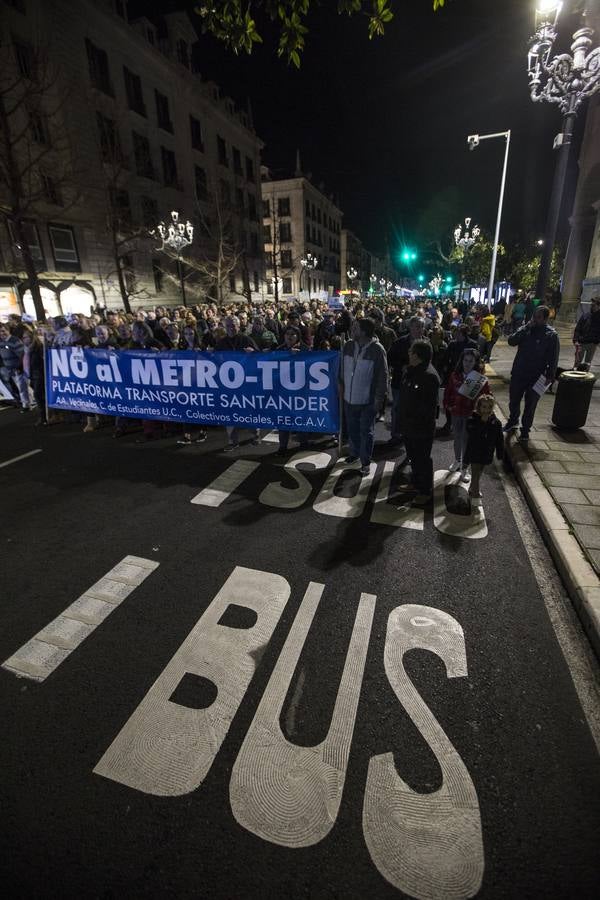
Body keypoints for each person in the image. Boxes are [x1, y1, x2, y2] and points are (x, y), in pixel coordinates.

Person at [505, 305, 560, 443]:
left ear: (546, 319)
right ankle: (513, 420)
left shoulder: (551, 335)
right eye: (534, 316)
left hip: (537, 376)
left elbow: (553, 357)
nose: (535, 319)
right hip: (519, 372)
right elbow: (511, 341)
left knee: (531, 404)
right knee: (514, 400)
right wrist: (526, 327)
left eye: (538, 317)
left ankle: (525, 430)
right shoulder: (526, 329)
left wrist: (550, 375)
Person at [342, 317, 388, 476]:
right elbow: (341, 369)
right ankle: (354, 454)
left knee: (366, 432)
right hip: (348, 399)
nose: (351, 330)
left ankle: (365, 461)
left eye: (355, 328)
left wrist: (378, 400)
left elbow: (383, 376)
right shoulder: (348, 346)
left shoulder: (377, 349)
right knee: (352, 429)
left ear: (364, 331)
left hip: (367, 401)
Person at [398, 339, 439, 505]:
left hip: (421, 428)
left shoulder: (429, 376)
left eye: (411, 352)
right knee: (414, 457)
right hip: (409, 426)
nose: (408, 354)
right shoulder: (413, 370)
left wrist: (412, 420)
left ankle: (425, 490)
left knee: (422, 459)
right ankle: (415, 483)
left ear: (417, 355)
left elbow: (427, 407)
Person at [443, 349, 490, 481]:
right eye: (465, 360)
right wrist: (448, 405)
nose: (467, 363)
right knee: (457, 438)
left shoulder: (479, 378)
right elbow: (448, 392)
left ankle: (465, 467)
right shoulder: (455, 375)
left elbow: (486, 395)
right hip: (456, 413)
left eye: (471, 361)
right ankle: (457, 460)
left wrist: (483, 409)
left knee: (467, 441)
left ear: (475, 362)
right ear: (461, 360)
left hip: (471, 415)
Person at [216, 315, 260, 450]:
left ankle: (255, 435)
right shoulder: (221, 343)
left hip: (246, 383)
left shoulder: (246, 339)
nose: (231, 328)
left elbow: (259, 355)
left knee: (249, 410)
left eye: (234, 325)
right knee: (230, 412)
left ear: (239, 326)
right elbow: (215, 362)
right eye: (228, 325)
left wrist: (253, 353)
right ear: (224, 327)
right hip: (228, 383)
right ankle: (232, 442)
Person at [387, 315, 426, 447]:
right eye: (416, 327)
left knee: (414, 409)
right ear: (410, 327)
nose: (419, 330)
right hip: (400, 381)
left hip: (419, 383)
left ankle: (409, 434)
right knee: (397, 409)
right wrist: (401, 366)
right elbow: (390, 358)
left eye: (421, 327)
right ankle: (395, 434)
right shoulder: (400, 342)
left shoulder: (426, 344)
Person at [463, 394, 504, 503]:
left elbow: (499, 439)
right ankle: (475, 495)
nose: (486, 410)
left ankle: (472, 488)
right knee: (476, 473)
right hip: (474, 452)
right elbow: (472, 433)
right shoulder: (472, 419)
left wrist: (500, 453)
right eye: (484, 407)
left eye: (489, 407)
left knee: (479, 472)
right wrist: (482, 422)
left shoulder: (496, 423)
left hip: (487, 453)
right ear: (479, 407)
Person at [0, 322, 30, 410]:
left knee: (23, 387)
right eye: (0, 332)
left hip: (18, 368)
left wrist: (19, 367)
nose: (2, 333)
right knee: (19, 387)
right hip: (10, 369)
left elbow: (22, 355)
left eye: (3, 331)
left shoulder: (14, 340)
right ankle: (25, 403)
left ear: (8, 330)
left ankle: (27, 405)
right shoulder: (2, 342)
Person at [573, 296, 600, 370]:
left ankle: (585, 378)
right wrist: (575, 340)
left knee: (587, 363)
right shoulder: (586, 315)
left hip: (592, 344)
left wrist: (597, 341)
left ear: (598, 306)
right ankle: (575, 376)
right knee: (577, 362)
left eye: (593, 305)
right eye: (591, 305)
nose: (591, 306)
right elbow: (578, 328)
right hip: (581, 343)